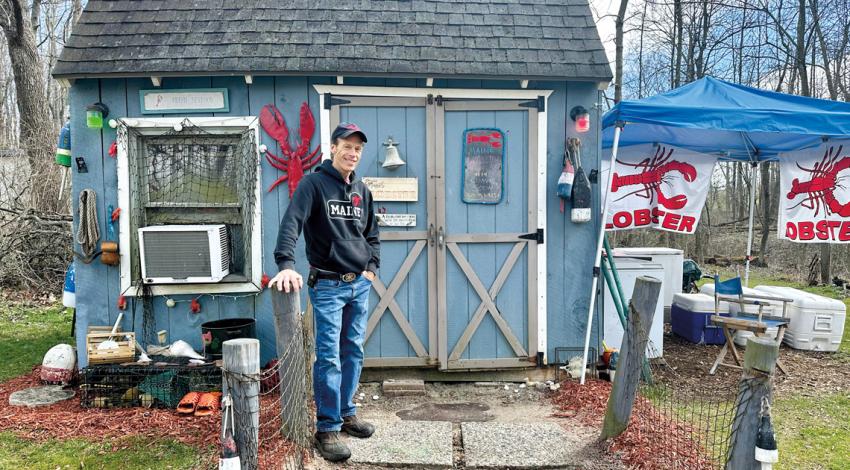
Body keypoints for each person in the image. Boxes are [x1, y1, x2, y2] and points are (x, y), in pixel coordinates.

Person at [270, 122, 379, 462]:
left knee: (353, 352)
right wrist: (286, 263)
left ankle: (347, 413)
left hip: (358, 285)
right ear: (333, 148)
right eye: (347, 146)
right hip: (329, 286)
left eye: (358, 148)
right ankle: (327, 428)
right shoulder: (313, 184)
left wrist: (371, 269)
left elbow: (372, 234)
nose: (353, 153)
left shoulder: (362, 189)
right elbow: (292, 223)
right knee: (329, 356)